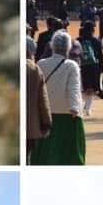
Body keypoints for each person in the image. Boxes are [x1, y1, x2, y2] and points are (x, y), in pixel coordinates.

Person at [31, 30, 87, 163]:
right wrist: (75, 108)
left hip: (45, 114)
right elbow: (74, 88)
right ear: (68, 47)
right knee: (69, 152)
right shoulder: (71, 65)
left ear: (52, 46)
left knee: (46, 151)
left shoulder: (41, 63)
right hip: (68, 114)